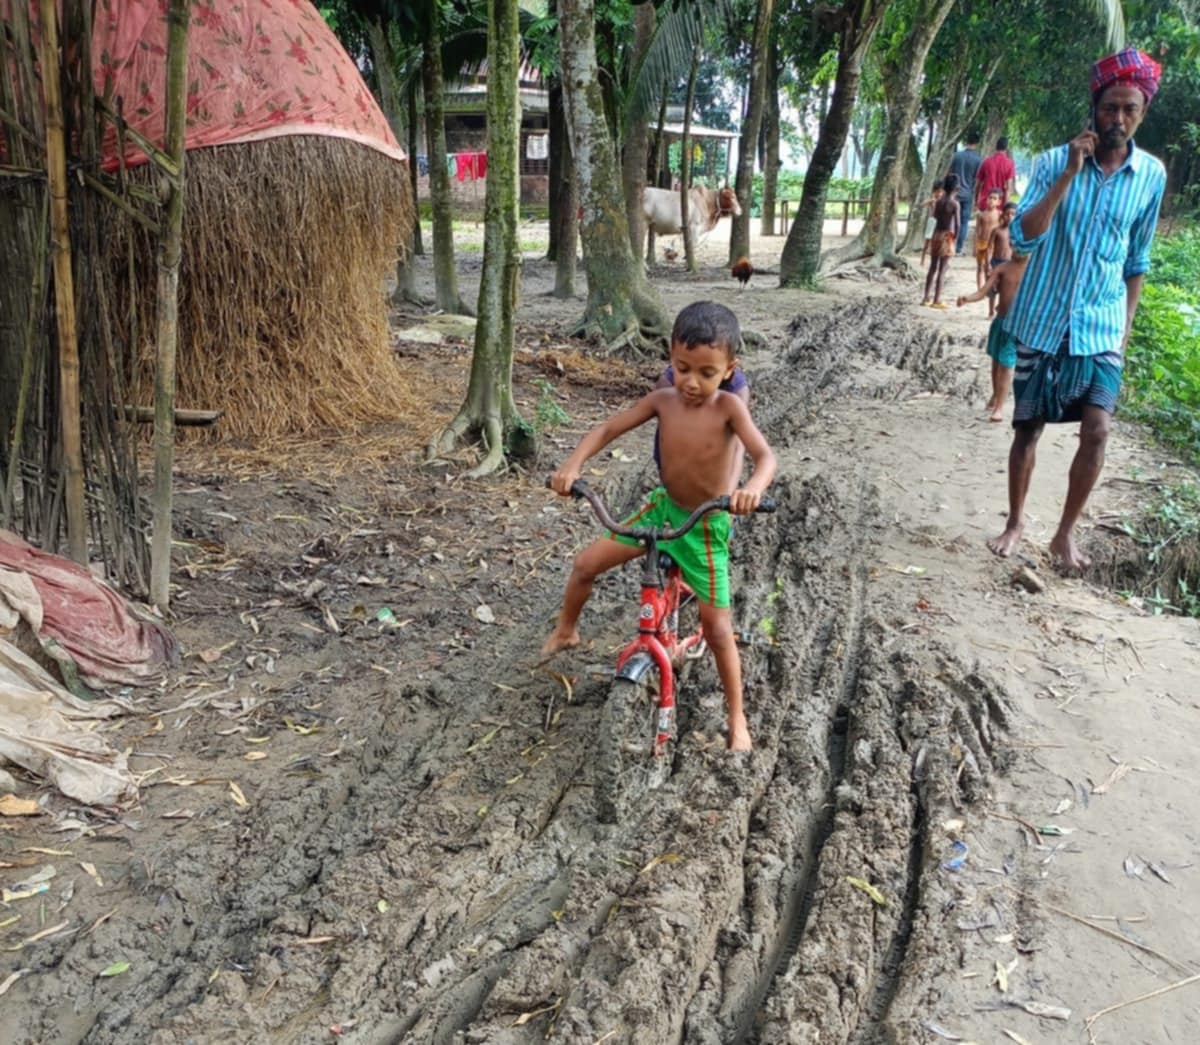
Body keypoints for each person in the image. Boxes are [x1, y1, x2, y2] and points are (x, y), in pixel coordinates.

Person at [543, 301, 778, 751]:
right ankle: (567, 629)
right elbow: (609, 429)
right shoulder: (662, 400)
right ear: (670, 358)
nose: (691, 382)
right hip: (662, 509)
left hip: (704, 524)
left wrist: (753, 489)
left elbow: (765, 456)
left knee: (717, 627)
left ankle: (737, 717)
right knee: (585, 564)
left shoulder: (730, 409)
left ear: (730, 370)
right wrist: (571, 465)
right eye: (682, 368)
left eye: (706, 373)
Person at [987, 49, 1166, 571]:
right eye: (1110, 108)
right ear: (1094, 108)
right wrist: (1068, 175)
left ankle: (1064, 534)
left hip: (1103, 326)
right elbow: (1024, 235)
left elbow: (1138, 259)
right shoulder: (1049, 163)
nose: (1118, 120)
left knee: (1099, 429)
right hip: (1042, 321)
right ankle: (1016, 522)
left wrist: (1126, 329)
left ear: (1142, 111)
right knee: (1028, 429)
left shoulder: (1150, 177)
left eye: (1129, 109)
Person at [956, 252, 1030, 421]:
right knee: (996, 362)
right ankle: (996, 395)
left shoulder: (1034, 270)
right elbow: (983, 292)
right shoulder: (1003, 268)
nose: (1018, 249)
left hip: (1017, 326)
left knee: (1006, 364)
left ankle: (999, 408)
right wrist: (967, 298)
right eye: (1014, 244)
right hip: (1000, 322)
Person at [921, 174, 960, 309]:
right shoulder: (954, 204)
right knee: (942, 269)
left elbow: (935, 219)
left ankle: (926, 297)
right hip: (946, 236)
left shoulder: (938, 202)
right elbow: (958, 224)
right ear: (956, 188)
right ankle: (937, 300)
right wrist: (955, 239)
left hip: (936, 235)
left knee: (932, 267)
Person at [947, 131, 983, 254]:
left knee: (951, 219)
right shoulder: (978, 160)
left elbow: (949, 174)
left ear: (966, 141)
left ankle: (949, 245)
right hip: (967, 194)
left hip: (954, 193)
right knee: (963, 222)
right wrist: (976, 196)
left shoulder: (956, 156)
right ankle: (958, 248)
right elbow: (978, 180)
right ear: (977, 143)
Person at [975, 137, 1017, 209]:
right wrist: (1005, 207)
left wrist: (976, 201)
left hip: (985, 203)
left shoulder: (986, 162)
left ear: (996, 147)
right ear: (1006, 148)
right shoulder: (1009, 164)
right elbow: (1008, 188)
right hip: (999, 205)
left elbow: (978, 185)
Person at [974, 189, 1003, 290]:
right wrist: (975, 246)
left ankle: (987, 287)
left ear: (999, 202)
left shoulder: (1000, 215)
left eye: (994, 199)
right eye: (990, 198)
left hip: (992, 245)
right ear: (986, 199)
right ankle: (979, 288)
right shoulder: (981, 214)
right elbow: (977, 230)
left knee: (989, 266)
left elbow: (1002, 229)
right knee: (980, 267)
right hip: (982, 242)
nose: (991, 200)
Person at [918, 182, 946, 268]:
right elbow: (921, 205)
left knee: (939, 243)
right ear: (934, 192)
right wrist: (930, 200)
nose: (938, 194)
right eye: (937, 192)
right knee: (927, 242)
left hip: (940, 223)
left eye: (940, 192)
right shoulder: (932, 201)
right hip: (931, 222)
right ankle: (922, 260)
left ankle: (936, 261)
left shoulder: (943, 201)